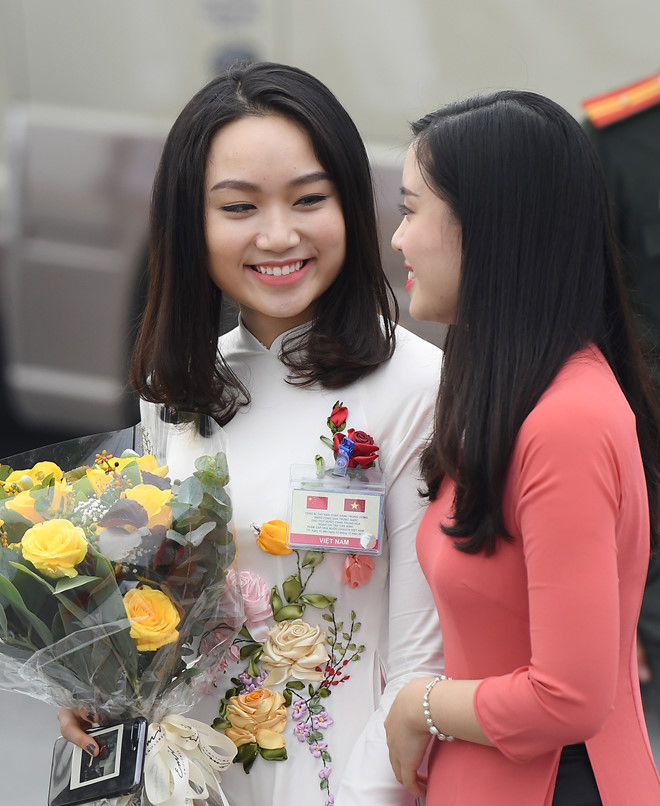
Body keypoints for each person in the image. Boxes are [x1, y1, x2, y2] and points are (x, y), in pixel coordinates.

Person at [58, 61, 444, 806]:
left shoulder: (417, 385)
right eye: (239, 207)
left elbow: (420, 656)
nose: (278, 234)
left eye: (310, 199)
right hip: (189, 780)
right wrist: (99, 685)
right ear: (190, 225)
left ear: (349, 205)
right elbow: (149, 604)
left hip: (345, 778)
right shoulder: (171, 387)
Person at [383, 90, 660, 805]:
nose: (398, 239)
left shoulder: (565, 420)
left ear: (487, 228)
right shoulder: (509, 393)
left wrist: (418, 704)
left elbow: (569, 697)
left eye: (412, 211)